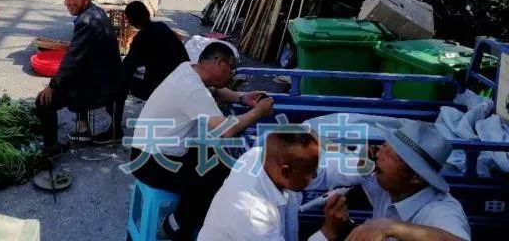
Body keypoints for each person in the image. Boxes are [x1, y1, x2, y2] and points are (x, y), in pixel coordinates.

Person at [129, 42, 275, 240]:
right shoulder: (191, 88)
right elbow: (227, 130)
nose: (231, 75)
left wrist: (242, 98)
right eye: (231, 69)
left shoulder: (188, 70)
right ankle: (177, 227)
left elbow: (214, 91)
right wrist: (258, 111)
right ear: (219, 63)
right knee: (215, 181)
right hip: (151, 162)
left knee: (220, 163)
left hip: (156, 152)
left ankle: (189, 220)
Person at [310, 120, 470, 241]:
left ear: (416, 177)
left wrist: (392, 227)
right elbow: (322, 171)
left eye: (390, 155)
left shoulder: (439, 211)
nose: (379, 155)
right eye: (383, 147)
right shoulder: (387, 184)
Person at [36, 0, 121, 155]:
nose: (68, 2)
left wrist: (52, 86)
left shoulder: (87, 21)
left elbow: (72, 60)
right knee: (71, 77)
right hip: (104, 77)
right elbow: (78, 53)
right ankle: (83, 128)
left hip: (99, 86)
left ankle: (51, 148)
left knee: (43, 101)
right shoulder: (95, 12)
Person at [199, 132, 330, 241]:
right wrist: (328, 232)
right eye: (311, 171)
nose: (315, 176)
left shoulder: (262, 158)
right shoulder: (252, 217)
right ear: (285, 172)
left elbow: (324, 169)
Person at [105, 2, 189, 143]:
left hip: (161, 88)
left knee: (120, 83)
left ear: (131, 21)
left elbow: (127, 68)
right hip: (182, 80)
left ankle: (115, 129)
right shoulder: (161, 26)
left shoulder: (142, 38)